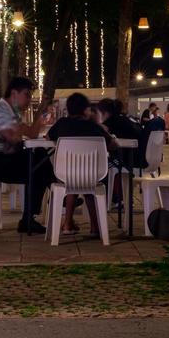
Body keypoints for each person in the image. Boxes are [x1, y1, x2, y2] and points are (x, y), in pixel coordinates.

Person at [0, 76, 53, 234]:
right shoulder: (3, 111)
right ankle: (51, 197)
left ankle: (30, 218)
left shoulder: (10, 111)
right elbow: (16, 138)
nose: (29, 100)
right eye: (27, 95)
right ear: (14, 93)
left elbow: (31, 134)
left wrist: (40, 112)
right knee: (37, 163)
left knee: (38, 161)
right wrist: (24, 127)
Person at [45, 92, 112, 237]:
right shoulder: (94, 127)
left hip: (65, 174)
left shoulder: (62, 123)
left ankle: (68, 224)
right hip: (93, 175)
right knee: (86, 183)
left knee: (73, 179)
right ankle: (95, 226)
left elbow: (48, 137)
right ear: (85, 110)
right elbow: (112, 144)